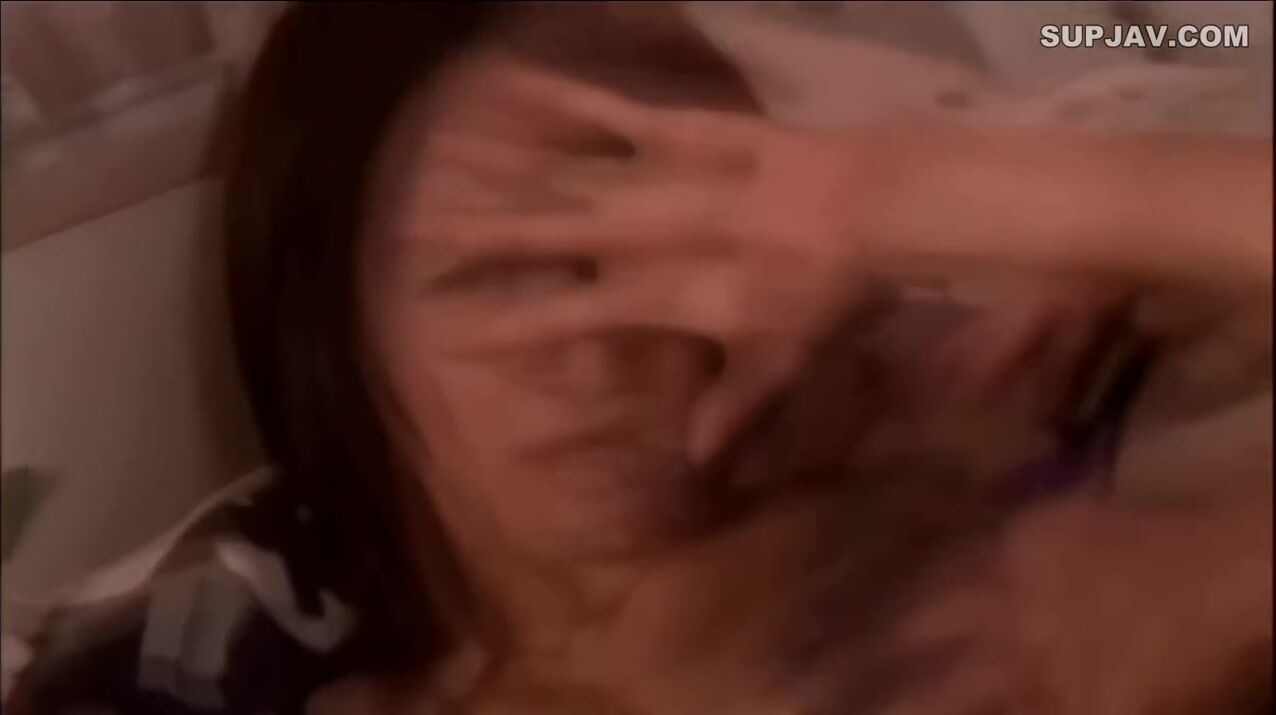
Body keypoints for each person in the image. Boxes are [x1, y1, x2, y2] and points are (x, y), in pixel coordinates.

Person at [10, 3, 1270, 714]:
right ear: (352, 362)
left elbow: (1178, 58)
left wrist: (1019, 197)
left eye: (647, 239)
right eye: (503, 270)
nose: (602, 338)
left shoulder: (1027, 534)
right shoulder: (242, 661)